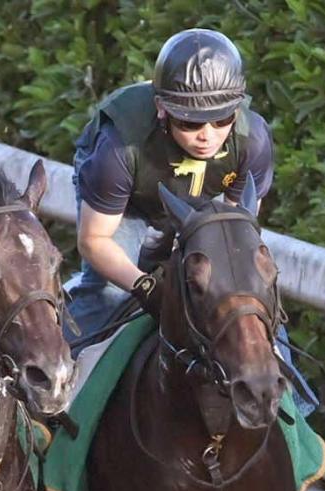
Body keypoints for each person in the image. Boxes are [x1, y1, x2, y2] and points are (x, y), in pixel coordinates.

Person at [64, 28, 274, 349]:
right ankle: (61, 383)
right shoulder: (118, 147)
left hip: (202, 202)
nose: (207, 135)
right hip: (129, 202)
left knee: (246, 290)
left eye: (221, 120)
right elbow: (94, 240)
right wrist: (144, 285)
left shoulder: (252, 139)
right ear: (162, 108)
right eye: (190, 122)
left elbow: (237, 235)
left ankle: (291, 395)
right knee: (110, 294)